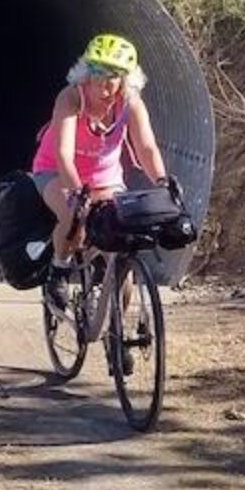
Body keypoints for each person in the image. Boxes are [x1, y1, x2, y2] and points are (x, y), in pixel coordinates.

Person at [31, 33, 169, 310]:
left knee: (123, 244)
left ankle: (116, 339)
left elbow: (146, 147)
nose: (102, 81)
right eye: (96, 70)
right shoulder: (71, 98)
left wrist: (164, 182)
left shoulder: (130, 103)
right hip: (57, 172)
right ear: (85, 71)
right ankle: (58, 272)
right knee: (76, 221)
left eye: (113, 74)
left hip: (106, 180)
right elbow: (63, 154)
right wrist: (75, 192)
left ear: (125, 80)